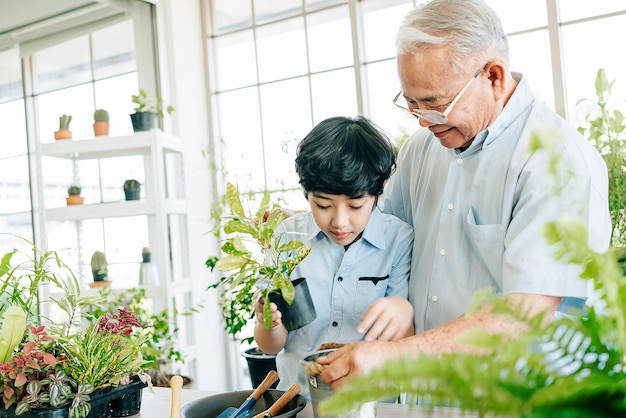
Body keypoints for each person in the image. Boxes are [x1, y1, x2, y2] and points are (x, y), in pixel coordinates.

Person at [316, 0, 611, 390]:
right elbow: (381, 237)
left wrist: (390, 356)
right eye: (411, 103)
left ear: (493, 76)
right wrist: (317, 217)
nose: (422, 119)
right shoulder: (422, 148)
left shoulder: (557, 162)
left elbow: (523, 314)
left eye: (436, 103)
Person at [253, 115, 414, 398]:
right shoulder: (286, 238)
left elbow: (402, 342)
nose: (340, 222)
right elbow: (270, 346)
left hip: (370, 403)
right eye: (323, 205)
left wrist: (403, 311)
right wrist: (269, 323)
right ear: (306, 194)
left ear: (379, 190)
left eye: (355, 206)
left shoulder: (398, 240)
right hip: (297, 401)